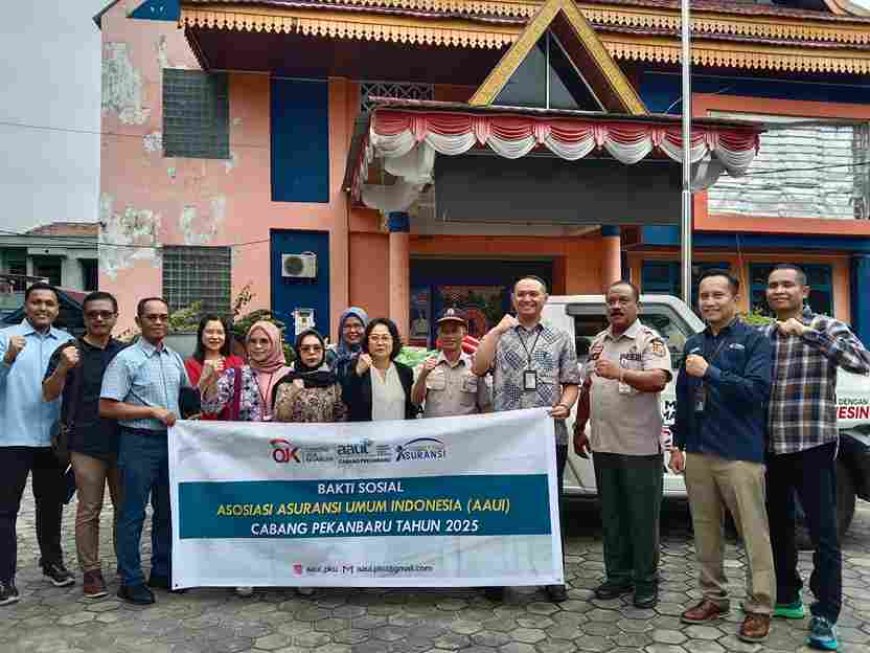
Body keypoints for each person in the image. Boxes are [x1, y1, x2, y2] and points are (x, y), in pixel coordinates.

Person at [762, 263, 870, 651]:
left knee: (824, 533)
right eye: (772, 285)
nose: (779, 291)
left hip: (814, 445)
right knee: (779, 526)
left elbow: (861, 362)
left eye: (787, 285)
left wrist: (807, 334)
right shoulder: (763, 334)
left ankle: (825, 613)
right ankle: (786, 596)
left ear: (804, 292)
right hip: (772, 446)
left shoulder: (827, 326)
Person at [669, 269, 775, 644]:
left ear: (735, 298)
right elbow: (684, 398)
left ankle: (760, 607)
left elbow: (757, 392)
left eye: (718, 295)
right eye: (704, 295)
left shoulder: (754, 341)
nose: (710, 302)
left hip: (739, 453)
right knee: (705, 530)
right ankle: (713, 597)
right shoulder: (694, 343)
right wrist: (678, 444)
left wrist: (710, 372)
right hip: (699, 451)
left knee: (753, 533)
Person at [472, 276, 580, 603]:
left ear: (544, 298)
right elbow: (478, 367)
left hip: (548, 435)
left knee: (548, 507)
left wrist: (565, 405)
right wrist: (495, 331)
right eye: (521, 294)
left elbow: (571, 382)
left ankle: (551, 575)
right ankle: (499, 575)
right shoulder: (500, 335)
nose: (527, 299)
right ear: (513, 298)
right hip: (506, 438)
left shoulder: (560, 337)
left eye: (534, 294)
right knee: (504, 504)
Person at [572, 281, 672, 609]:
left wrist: (620, 372)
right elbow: (588, 388)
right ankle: (617, 576)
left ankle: (645, 581)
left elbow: (658, 380)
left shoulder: (649, 340)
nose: (616, 306)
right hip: (604, 444)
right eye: (611, 301)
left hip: (639, 446)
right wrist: (579, 427)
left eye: (623, 300)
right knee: (612, 517)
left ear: (637, 306)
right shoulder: (599, 342)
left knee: (641, 518)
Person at [100, 297, 191, 606]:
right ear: (139, 321)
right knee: (133, 513)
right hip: (138, 442)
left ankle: (162, 571)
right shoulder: (126, 359)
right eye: (151, 317)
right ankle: (130, 580)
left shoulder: (174, 358)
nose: (158, 322)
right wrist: (151, 411)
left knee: (167, 510)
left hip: (171, 444)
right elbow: (107, 406)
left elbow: (185, 399)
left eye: (163, 317)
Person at [42, 291, 126, 599]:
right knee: (89, 509)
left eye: (105, 313)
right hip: (84, 443)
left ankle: (127, 566)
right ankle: (91, 571)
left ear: (115, 317)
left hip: (123, 440)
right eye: (92, 314)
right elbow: (48, 393)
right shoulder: (69, 351)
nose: (99, 319)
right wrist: (62, 367)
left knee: (125, 508)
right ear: (84, 317)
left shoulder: (125, 352)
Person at [0, 282, 75, 606]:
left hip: (52, 440)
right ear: (26, 305)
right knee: (5, 511)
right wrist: (7, 358)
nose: (43, 308)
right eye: (36, 302)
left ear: (57, 310)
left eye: (49, 303)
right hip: (10, 437)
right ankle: (4, 578)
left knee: (51, 505)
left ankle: (51, 563)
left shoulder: (66, 342)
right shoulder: (5, 337)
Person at [200, 320, 292, 422]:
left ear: (275, 343)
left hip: (282, 433)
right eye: (252, 341)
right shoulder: (234, 375)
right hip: (244, 433)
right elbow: (211, 409)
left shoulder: (290, 375)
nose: (257, 346)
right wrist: (209, 380)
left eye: (264, 341)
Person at [412, 308, 491, 418]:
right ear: (439, 335)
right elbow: (416, 401)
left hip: (466, 428)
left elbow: (485, 405)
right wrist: (423, 375)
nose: (449, 336)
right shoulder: (426, 366)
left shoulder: (475, 366)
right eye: (445, 332)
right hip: (435, 428)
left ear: (464, 334)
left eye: (454, 331)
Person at [343, 318, 417, 422]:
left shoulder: (405, 371)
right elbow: (347, 400)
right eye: (374, 338)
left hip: (400, 431)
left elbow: (411, 407)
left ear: (393, 341)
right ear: (367, 342)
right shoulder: (357, 367)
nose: (380, 343)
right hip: (366, 431)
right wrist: (358, 373)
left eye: (385, 338)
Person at [273, 329, 347, 424]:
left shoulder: (333, 383)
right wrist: (292, 394)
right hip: (295, 433)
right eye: (305, 349)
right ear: (298, 352)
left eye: (317, 348)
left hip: (327, 433)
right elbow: (279, 420)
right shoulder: (287, 383)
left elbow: (342, 418)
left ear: (323, 351)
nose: (311, 352)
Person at [184, 314, 244, 420]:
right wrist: (204, 377)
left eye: (220, 332)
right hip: (202, 424)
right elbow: (190, 402)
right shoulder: (190, 364)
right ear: (201, 335)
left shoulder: (237, 362)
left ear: (226, 336)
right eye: (209, 332)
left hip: (231, 423)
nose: (215, 337)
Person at [326, 307, 368, 382]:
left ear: (365, 328)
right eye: (347, 326)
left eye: (357, 325)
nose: (352, 330)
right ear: (341, 330)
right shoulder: (330, 354)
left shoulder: (371, 355)